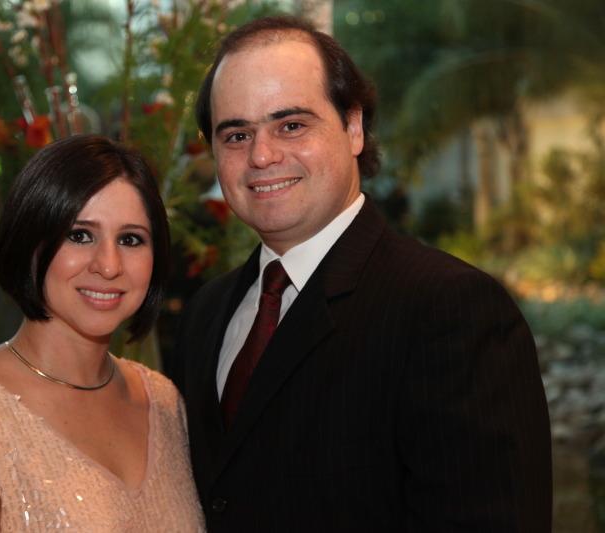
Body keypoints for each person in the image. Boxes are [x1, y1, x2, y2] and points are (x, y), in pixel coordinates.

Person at [169, 16, 552, 532]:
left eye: (291, 125)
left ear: (353, 127)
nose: (261, 155)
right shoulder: (206, 315)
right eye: (237, 135)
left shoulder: (450, 310)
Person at [0, 135, 205, 532]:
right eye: (80, 235)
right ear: (29, 244)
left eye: (130, 239)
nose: (109, 265)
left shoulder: (163, 402)